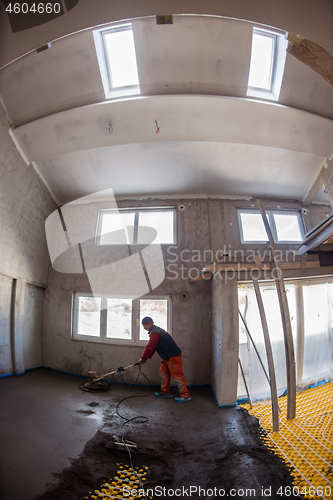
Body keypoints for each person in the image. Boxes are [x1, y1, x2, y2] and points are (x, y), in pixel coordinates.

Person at [138, 317, 191, 403]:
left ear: (150, 324)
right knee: (164, 374)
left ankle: (184, 395)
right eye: (143, 325)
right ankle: (165, 392)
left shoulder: (155, 333)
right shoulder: (155, 331)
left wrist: (143, 358)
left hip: (173, 356)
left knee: (177, 376)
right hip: (166, 356)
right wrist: (146, 358)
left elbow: (150, 347)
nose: (143, 327)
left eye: (144, 325)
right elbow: (154, 347)